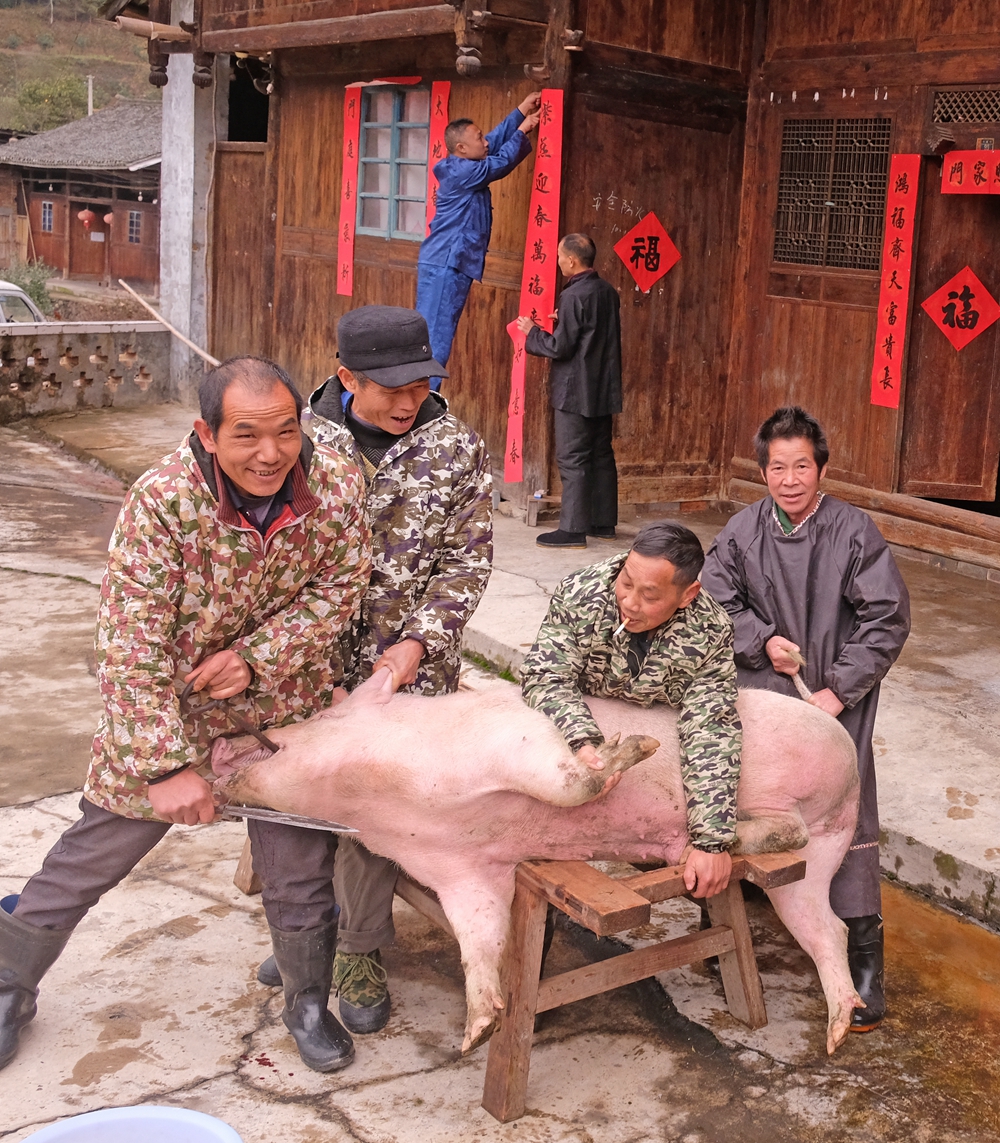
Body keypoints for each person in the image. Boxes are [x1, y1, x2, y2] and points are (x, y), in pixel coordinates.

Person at [0, 357, 371, 1075]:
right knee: (94, 852)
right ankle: (9, 984)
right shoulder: (163, 500)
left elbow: (340, 584)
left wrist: (258, 656)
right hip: (166, 704)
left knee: (297, 861)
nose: (270, 454)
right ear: (207, 432)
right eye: (246, 435)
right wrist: (167, 765)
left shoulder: (335, 478)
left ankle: (306, 1001)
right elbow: (128, 637)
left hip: (278, 698)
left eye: (286, 432)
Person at [256, 306, 493, 1034]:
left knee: (373, 808)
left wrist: (415, 646)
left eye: (419, 385)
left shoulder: (456, 448)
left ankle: (359, 948)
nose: (405, 402)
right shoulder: (299, 444)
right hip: (303, 661)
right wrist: (298, 656)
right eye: (388, 387)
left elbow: (467, 562)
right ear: (345, 375)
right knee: (295, 796)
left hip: (408, 674)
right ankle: (305, 928)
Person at [700, 406, 910, 1032]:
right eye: (777, 467)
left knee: (844, 812)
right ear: (762, 470)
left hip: (835, 693)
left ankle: (862, 953)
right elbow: (712, 601)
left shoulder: (853, 531)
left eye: (802, 466)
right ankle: (730, 931)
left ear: (821, 468)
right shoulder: (742, 530)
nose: (789, 479)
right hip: (764, 692)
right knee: (748, 800)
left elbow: (886, 618)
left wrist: (838, 692)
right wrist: (760, 640)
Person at [520, 522, 742, 898]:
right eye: (626, 582)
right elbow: (547, 677)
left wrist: (712, 840)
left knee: (698, 862)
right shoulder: (581, 593)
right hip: (578, 727)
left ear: (688, 595)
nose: (630, 602)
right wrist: (584, 739)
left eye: (650, 595)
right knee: (543, 846)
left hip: (656, 752)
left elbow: (712, 728)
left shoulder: (711, 630)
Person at [416, 92, 541, 389]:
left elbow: (494, 144)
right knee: (435, 340)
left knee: (434, 338)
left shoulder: (462, 162)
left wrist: (521, 110)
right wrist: (523, 129)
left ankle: (421, 401)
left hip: (448, 262)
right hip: (446, 263)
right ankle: (423, 405)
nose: (485, 141)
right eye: (478, 137)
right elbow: (497, 163)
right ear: (461, 148)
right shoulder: (464, 172)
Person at [517, 232, 622, 549]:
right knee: (601, 456)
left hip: (575, 390)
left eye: (560, 255)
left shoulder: (575, 296)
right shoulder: (606, 291)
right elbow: (589, 334)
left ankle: (573, 530)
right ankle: (603, 523)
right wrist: (561, 322)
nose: (558, 260)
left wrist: (532, 333)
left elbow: (561, 347)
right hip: (602, 387)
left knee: (572, 458)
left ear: (572, 260)